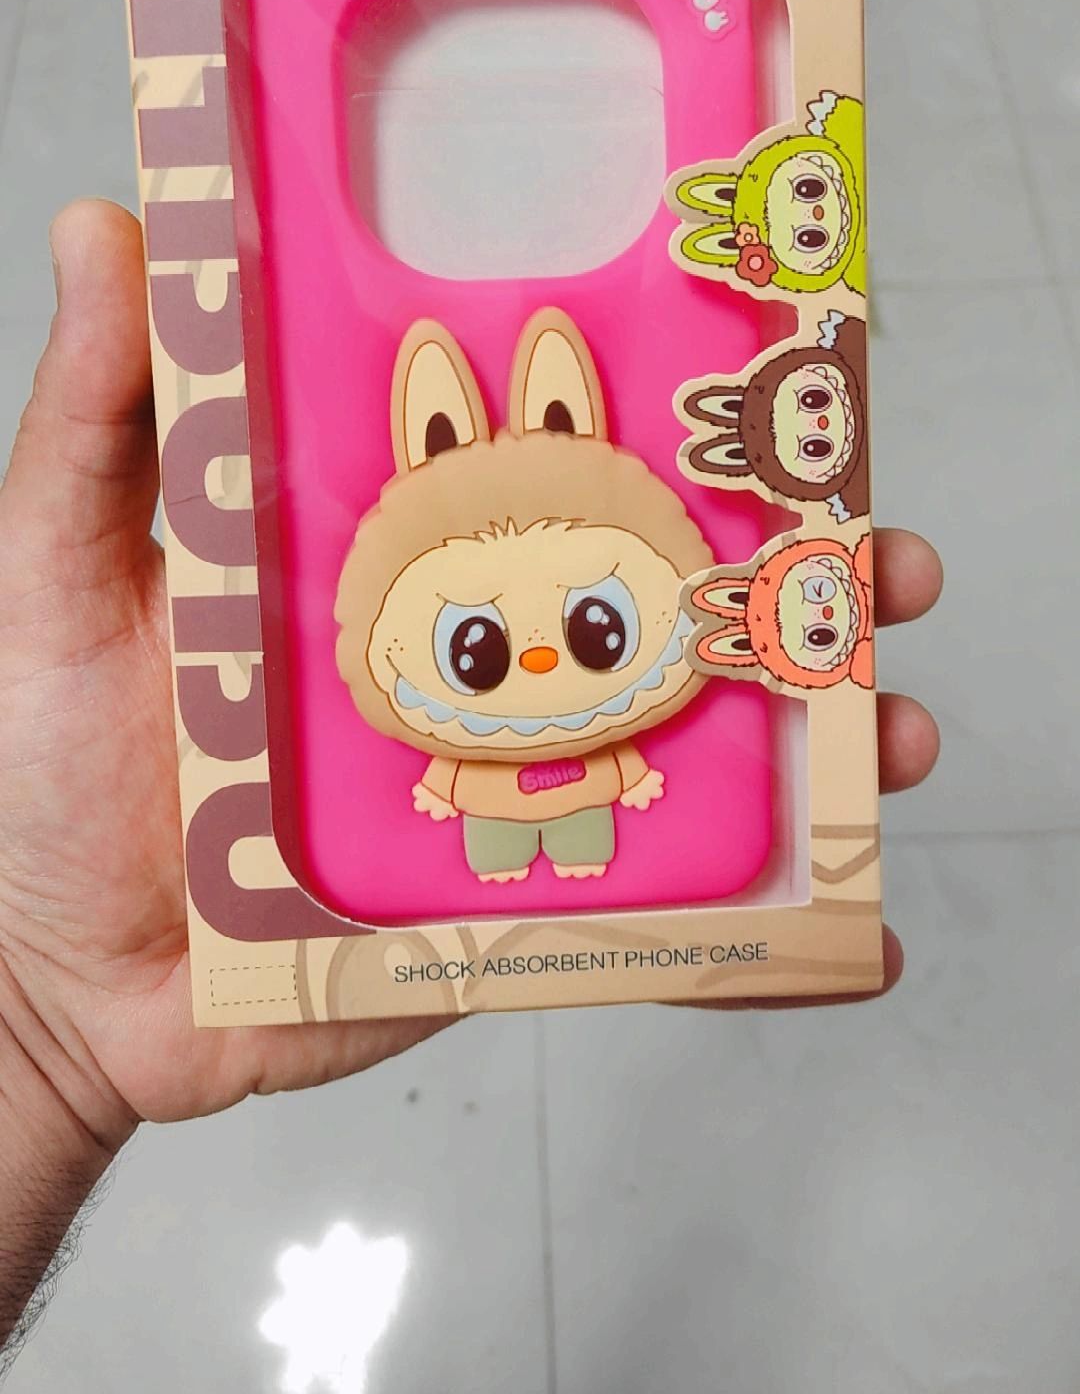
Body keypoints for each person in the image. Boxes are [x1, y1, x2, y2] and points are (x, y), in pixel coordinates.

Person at [0, 201, 943, 1357]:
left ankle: (575, 841)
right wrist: (34, 1018)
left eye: (595, 630)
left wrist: (40, 1032)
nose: (541, 665)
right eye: (482, 649)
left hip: (585, 814)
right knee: (522, 827)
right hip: (452, 826)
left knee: (623, 813)